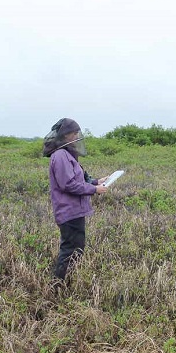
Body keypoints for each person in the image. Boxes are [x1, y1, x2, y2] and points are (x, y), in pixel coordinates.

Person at [44, 118, 108, 281]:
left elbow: (77, 178)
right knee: (70, 250)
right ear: (65, 136)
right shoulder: (60, 155)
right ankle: (57, 285)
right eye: (73, 134)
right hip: (69, 212)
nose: (75, 137)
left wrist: (95, 182)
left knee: (75, 249)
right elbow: (69, 184)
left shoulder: (66, 154)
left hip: (74, 211)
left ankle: (64, 281)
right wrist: (94, 189)